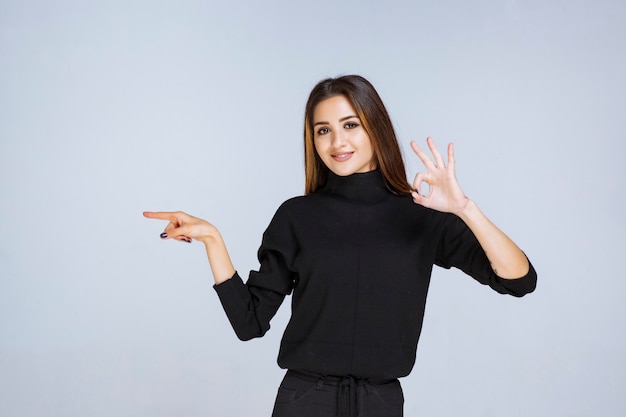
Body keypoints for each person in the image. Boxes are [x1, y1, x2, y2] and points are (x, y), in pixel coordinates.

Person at [144, 75, 537, 417]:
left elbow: (519, 279)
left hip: (381, 403)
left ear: (375, 127)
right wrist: (213, 239)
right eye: (323, 129)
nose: (337, 141)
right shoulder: (297, 217)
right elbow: (250, 324)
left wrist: (465, 210)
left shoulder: (421, 214)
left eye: (350, 124)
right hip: (303, 402)